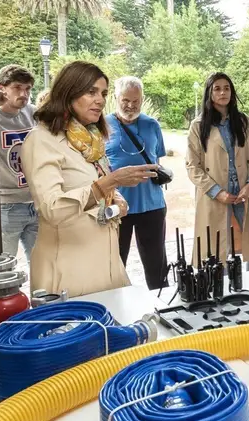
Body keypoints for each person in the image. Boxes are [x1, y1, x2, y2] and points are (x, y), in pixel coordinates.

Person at [21, 61, 159, 298]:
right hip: (68, 272)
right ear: (68, 92)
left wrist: (115, 198)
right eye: (91, 92)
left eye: (104, 93)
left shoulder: (92, 139)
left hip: (107, 265)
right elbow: (51, 209)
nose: (100, 100)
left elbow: (96, 183)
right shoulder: (41, 140)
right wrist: (110, 182)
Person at [186, 72, 249, 271]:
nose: (223, 92)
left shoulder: (243, 122)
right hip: (215, 197)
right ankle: (220, 296)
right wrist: (217, 192)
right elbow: (192, 166)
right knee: (216, 253)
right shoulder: (198, 126)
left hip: (244, 194)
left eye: (227, 88)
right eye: (217, 88)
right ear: (209, 93)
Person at [105, 76, 169, 290]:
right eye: (125, 100)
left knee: (157, 265)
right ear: (116, 98)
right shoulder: (102, 125)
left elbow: (156, 159)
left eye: (136, 101)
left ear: (142, 99)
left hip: (152, 205)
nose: (131, 106)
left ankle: (163, 307)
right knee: (114, 264)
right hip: (116, 206)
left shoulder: (152, 125)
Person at [0, 65, 38, 263]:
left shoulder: (34, 114)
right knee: (3, 267)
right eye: (17, 88)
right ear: (2, 87)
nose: (24, 94)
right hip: (6, 205)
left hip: (35, 201)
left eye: (28, 89)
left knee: (42, 267)